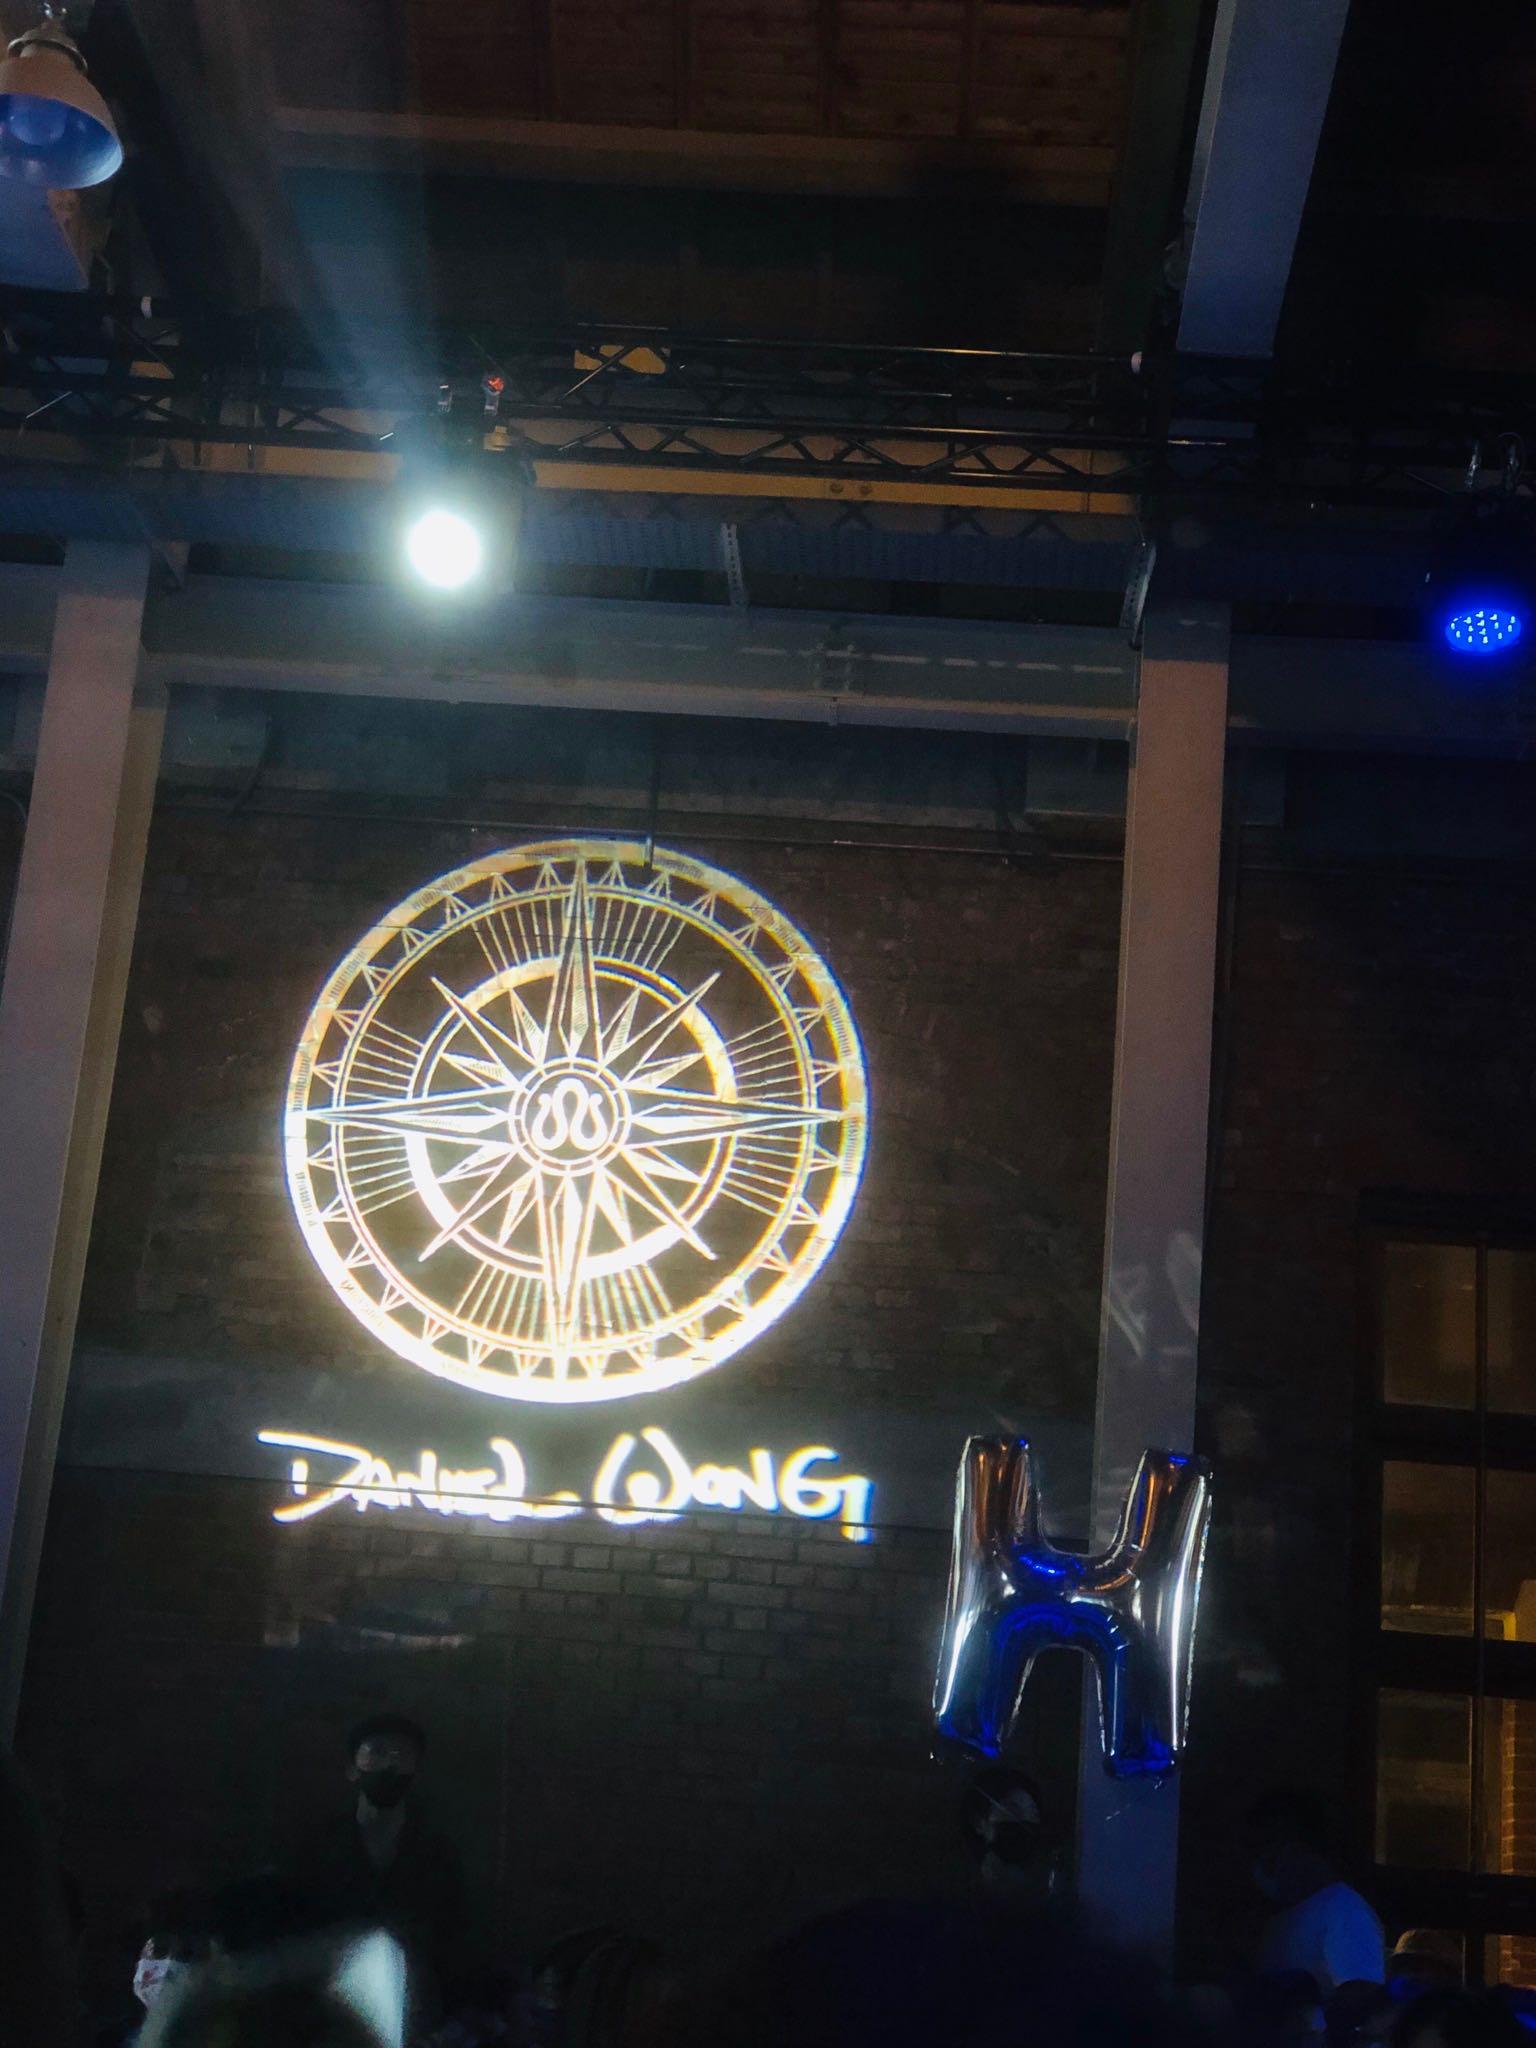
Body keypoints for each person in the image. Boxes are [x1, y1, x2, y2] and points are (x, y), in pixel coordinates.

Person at [294, 1713, 467, 2024]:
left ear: (416, 1771)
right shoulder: (319, 1846)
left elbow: (450, 1935)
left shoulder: (436, 1852)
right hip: (328, 2006)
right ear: (352, 1769)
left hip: (412, 2005)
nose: (389, 1764)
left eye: (401, 1755)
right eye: (376, 1752)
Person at [1247, 1788, 1385, 1996]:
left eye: (1269, 1849)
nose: (1262, 1864)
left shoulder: (1345, 1912)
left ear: (1298, 1848)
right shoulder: (1279, 1917)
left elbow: (1360, 1994)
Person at [958, 1765, 1064, 1907]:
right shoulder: (958, 1899)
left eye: (1033, 1813)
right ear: (979, 1823)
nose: (1025, 1820)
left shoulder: (1049, 1897)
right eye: (1013, 1810)